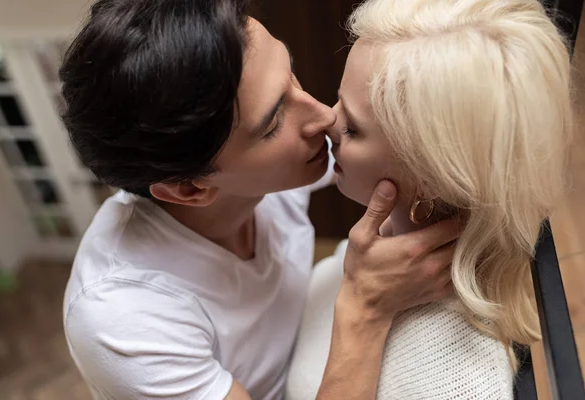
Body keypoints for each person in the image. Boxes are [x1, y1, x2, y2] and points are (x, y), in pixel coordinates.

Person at [59, 0, 461, 399]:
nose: (323, 116)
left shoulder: (266, 165)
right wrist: (366, 308)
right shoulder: (124, 316)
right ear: (191, 189)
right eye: (272, 123)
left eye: (291, 75)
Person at [286, 0, 574, 399]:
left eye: (352, 127)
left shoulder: (458, 383)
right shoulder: (383, 241)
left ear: (432, 178)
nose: (327, 120)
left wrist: (361, 309)